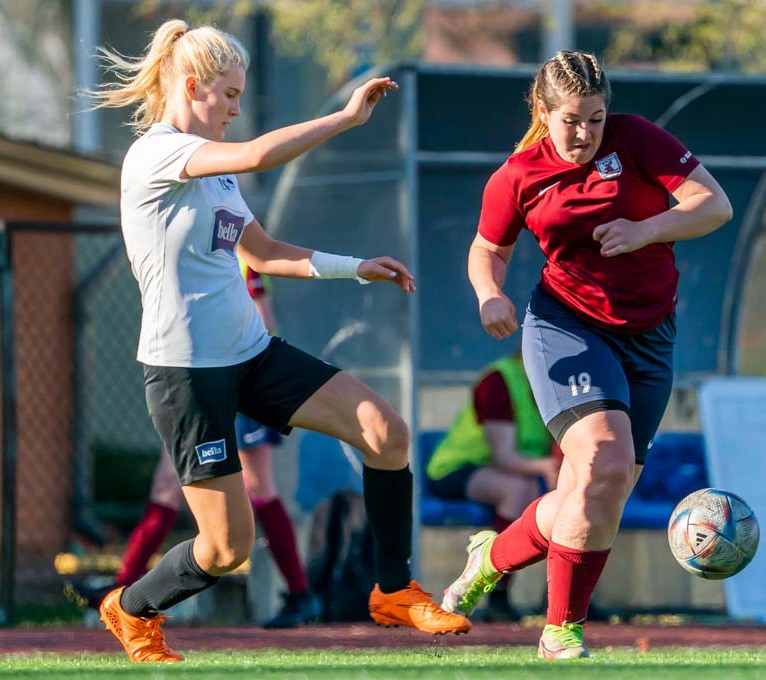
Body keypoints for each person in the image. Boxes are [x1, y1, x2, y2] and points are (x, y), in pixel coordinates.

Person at [89, 19, 469, 662]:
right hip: (186, 372)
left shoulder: (217, 172)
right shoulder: (156, 154)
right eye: (230, 95)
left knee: (386, 431)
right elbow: (262, 153)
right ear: (191, 87)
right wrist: (345, 119)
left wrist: (356, 266)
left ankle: (394, 589)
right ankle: (128, 607)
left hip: (251, 353)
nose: (238, 108)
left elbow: (261, 254)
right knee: (225, 549)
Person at [440, 50, 732, 659]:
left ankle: (491, 557)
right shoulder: (518, 175)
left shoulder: (638, 140)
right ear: (543, 112)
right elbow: (486, 249)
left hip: (649, 337)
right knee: (603, 455)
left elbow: (714, 204)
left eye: (596, 119)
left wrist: (646, 229)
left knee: (599, 487)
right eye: (572, 119)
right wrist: (488, 293)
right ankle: (560, 632)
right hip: (565, 327)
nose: (585, 134)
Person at [66, 264, 320, 629]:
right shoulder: (190, 253)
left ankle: (299, 594)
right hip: (206, 385)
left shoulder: (233, 252)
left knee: (258, 488)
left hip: (236, 384)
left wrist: (227, 372)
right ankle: (123, 589)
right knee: (168, 485)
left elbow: (263, 321)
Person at [426, 352, 560, 621]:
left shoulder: (560, 384)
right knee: (518, 490)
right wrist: (547, 467)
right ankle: (497, 593)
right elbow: (504, 455)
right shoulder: (499, 380)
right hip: (457, 469)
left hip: (514, 471)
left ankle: (562, 597)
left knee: (572, 499)